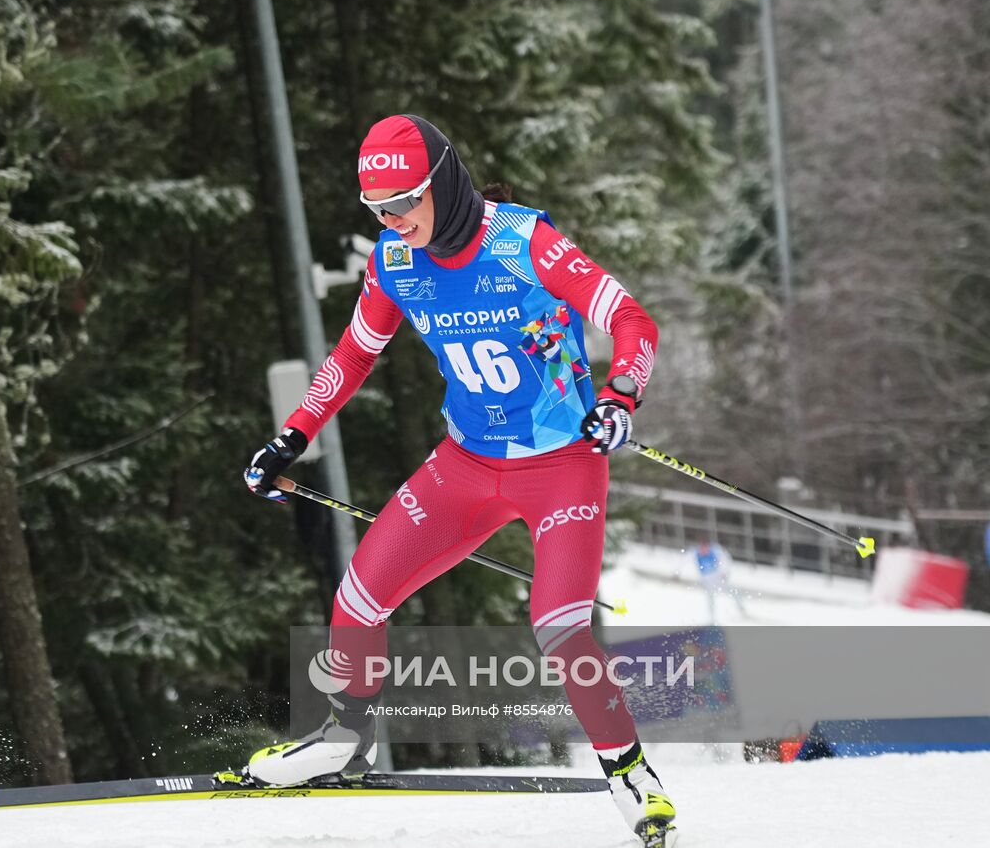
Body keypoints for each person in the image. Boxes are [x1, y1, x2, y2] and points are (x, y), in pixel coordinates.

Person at [242, 114, 675, 847]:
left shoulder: (523, 242)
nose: (392, 220)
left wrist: (619, 395)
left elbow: (631, 319)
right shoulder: (394, 261)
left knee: (560, 626)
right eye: (377, 208)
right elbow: (351, 357)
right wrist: (294, 433)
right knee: (358, 595)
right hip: (467, 464)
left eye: (404, 201)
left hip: (562, 464)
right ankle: (345, 737)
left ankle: (632, 772)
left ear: (442, 183)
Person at [694, 538, 749, 623]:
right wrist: (677, 572)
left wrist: (725, 573)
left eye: (705, 548)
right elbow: (684, 559)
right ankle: (711, 617)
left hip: (718, 578)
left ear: (709, 547)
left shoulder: (716, 551)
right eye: (702, 548)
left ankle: (741, 608)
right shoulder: (696, 552)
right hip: (708, 580)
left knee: (733, 592)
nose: (703, 551)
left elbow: (725, 560)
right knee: (710, 597)